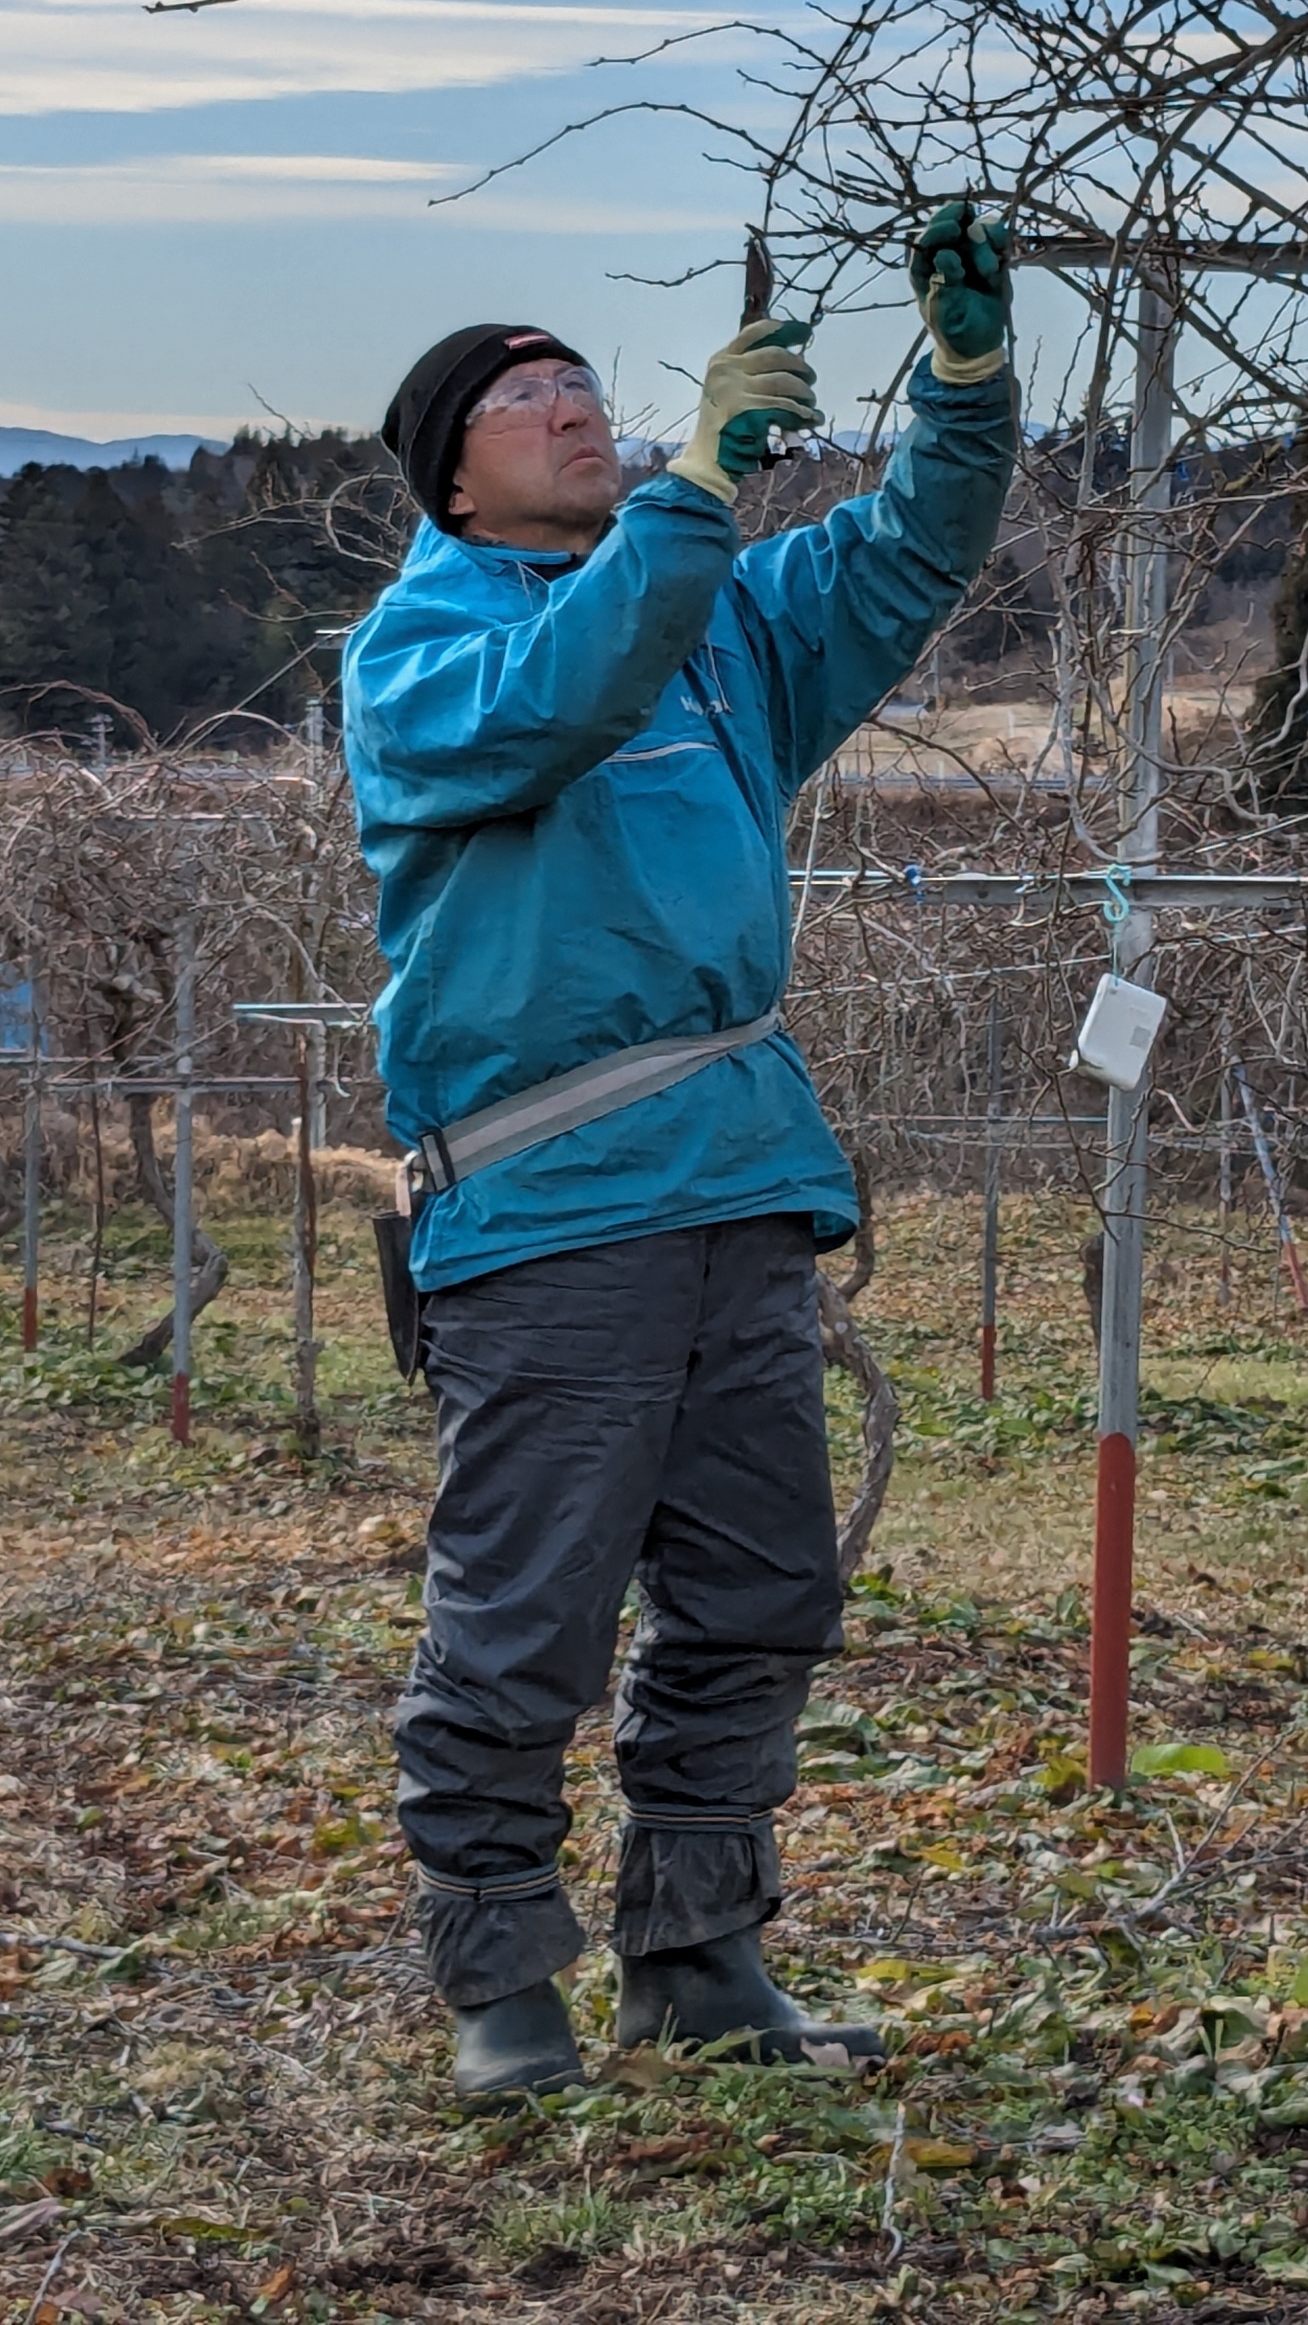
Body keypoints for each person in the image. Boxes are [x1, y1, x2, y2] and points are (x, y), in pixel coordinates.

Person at [343, 203, 1022, 2101]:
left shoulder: (712, 613)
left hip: (736, 1176)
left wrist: (961, 388)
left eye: (582, 383)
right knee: (528, 1607)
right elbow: (567, 697)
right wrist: (701, 487)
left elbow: (902, 563)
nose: (571, 407)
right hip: (551, 1200)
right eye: (523, 396)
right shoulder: (422, 655)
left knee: (757, 1589)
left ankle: (700, 1957)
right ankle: (498, 1975)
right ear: (451, 476)